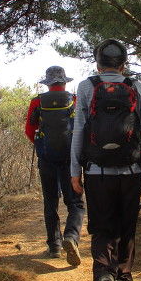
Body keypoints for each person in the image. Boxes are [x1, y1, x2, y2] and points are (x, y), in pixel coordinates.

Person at [70, 39, 141, 281]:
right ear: (123, 64)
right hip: (132, 171)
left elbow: (79, 131)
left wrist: (74, 171)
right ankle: (121, 277)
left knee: (102, 226)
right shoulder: (136, 87)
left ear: (98, 64)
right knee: (126, 226)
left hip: (97, 172)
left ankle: (103, 275)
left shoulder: (86, 87)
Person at [25, 66, 85, 265]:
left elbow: (29, 130)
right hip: (70, 160)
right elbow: (82, 128)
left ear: (48, 83)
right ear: (64, 82)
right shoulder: (74, 100)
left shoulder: (37, 102)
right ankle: (71, 237)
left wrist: (42, 146)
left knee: (50, 202)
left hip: (46, 159)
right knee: (75, 203)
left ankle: (54, 246)